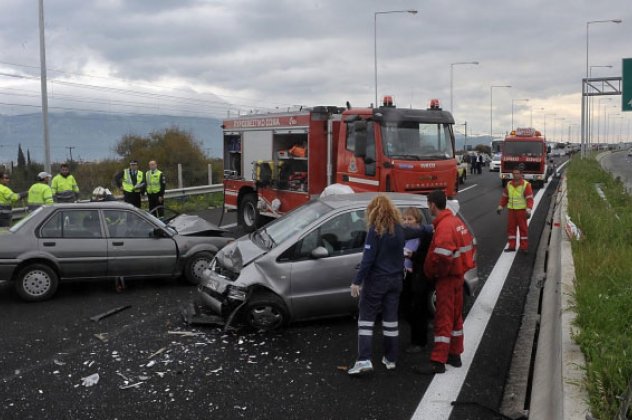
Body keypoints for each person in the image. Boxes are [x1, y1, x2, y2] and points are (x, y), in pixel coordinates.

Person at [413, 189, 475, 375]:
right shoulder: (456, 222)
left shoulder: (444, 227)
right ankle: (455, 355)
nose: (428, 208)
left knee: (443, 319)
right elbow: (467, 249)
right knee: (456, 318)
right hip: (458, 277)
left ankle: (438, 360)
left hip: (447, 279)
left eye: (428, 204)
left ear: (432, 204)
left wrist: (435, 274)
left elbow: (443, 256)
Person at [348, 195, 406, 375]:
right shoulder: (399, 229)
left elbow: (367, 260)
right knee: (390, 321)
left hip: (376, 281)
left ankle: (364, 359)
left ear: (373, 211)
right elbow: (421, 231)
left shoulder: (375, 231)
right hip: (396, 281)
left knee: (366, 319)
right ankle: (391, 358)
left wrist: (356, 282)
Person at [400, 207, 433, 354]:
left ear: (417, 221)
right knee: (405, 308)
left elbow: (425, 258)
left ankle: (419, 342)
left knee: (418, 308)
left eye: (410, 219)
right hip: (405, 275)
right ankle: (422, 327)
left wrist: (411, 256)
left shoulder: (424, 235)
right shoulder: (404, 235)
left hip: (418, 276)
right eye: (405, 219)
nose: (406, 222)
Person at [497, 167, 534, 253]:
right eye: (514, 173)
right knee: (511, 228)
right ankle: (512, 246)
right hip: (511, 211)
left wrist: (528, 209)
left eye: (517, 173)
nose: (515, 175)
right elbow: (505, 197)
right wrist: (500, 206)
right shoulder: (509, 184)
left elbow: (529, 199)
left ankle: (524, 247)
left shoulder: (526, 185)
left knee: (523, 229)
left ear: (521, 174)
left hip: (521, 211)